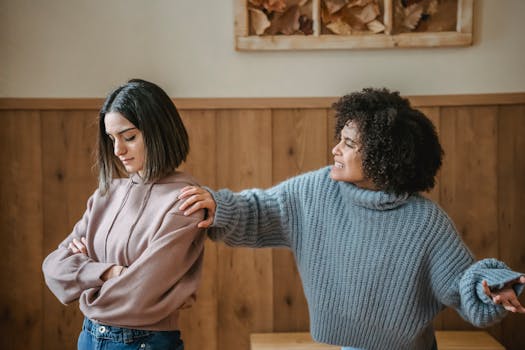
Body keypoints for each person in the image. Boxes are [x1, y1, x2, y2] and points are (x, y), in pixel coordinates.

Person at [178, 88, 525, 350]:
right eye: (339, 140)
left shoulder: (425, 221)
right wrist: (218, 205)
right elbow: (259, 210)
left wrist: (494, 285)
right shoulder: (315, 190)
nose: (335, 150)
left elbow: (463, 281)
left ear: (382, 156)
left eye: (348, 143)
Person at [42, 79, 205, 350]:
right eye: (111, 139)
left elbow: (141, 293)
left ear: (159, 132)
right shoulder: (105, 195)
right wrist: (110, 272)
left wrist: (83, 272)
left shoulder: (185, 201)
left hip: (143, 342)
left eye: (129, 137)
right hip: (88, 337)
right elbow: (53, 267)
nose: (118, 151)